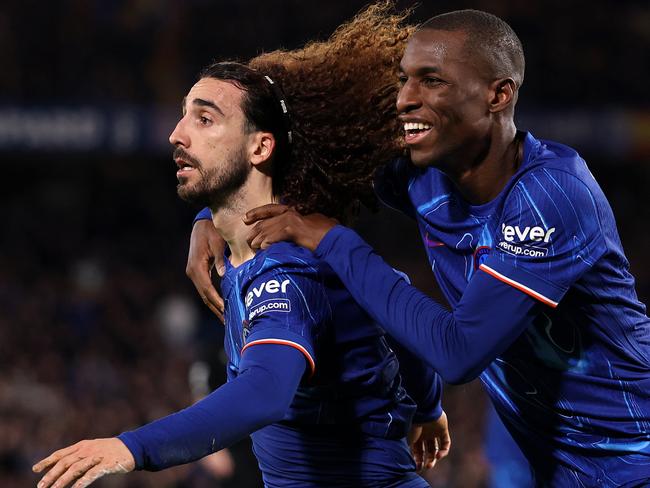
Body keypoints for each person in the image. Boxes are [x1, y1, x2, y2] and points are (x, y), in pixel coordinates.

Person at [188, 9, 650, 488]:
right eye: (405, 80)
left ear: (498, 94)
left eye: (432, 81)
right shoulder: (421, 176)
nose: (406, 99)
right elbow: (290, 148)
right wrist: (212, 218)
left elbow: (458, 352)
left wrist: (332, 240)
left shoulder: (550, 196)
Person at [32, 5, 451, 488]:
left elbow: (266, 392)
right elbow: (394, 317)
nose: (176, 134)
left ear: (260, 149)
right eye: (183, 115)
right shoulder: (250, 249)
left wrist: (130, 447)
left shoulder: (286, 273)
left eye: (205, 119)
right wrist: (429, 404)